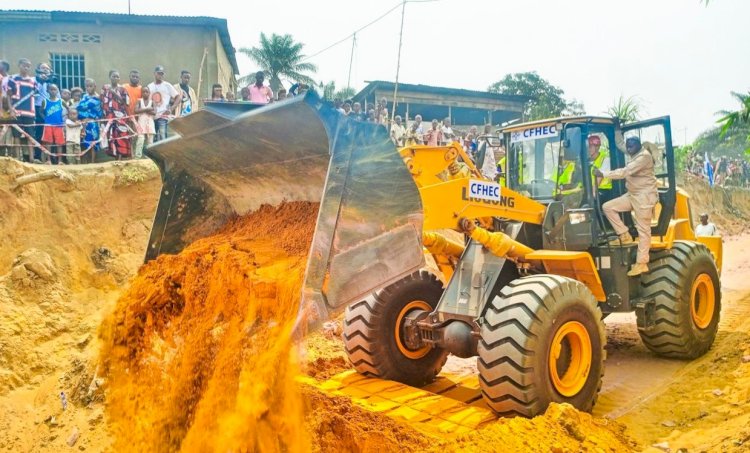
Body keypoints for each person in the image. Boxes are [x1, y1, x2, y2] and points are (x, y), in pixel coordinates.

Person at [594, 133, 658, 276]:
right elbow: (620, 144)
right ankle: (624, 235)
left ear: (639, 145)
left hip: (644, 197)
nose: (628, 149)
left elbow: (625, 172)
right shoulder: (633, 152)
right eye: (627, 146)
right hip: (632, 195)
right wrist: (616, 129)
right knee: (608, 207)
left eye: (631, 146)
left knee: (643, 230)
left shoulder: (644, 157)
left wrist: (603, 174)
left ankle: (642, 263)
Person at [9, 59, 37, 162]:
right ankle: (18, 158)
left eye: (28, 66)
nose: (26, 68)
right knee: (16, 135)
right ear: (19, 65)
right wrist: (11, 109)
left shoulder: (33, 81)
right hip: (16, 111)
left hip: (30, 112)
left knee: (30, 135)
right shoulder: (13, 78)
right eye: (24, 65)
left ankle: (31, 158)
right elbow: (9, 94)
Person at [101, 70, 131, 159]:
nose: (116, 78)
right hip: (109, 117)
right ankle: (114, 157)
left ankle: (120, 157)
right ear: (110, 77)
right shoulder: (105, 88)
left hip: (120, 117)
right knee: (111, 136)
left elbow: (126, 102)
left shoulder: (123, 89)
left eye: (117, 76)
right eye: (114, 76)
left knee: (121, 136)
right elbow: (102, 102)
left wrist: (115, 94)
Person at [147, 65, 178, 142]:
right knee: (152, 138)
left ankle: (163, 153)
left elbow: (178, 97)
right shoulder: (149, 86)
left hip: (163, 116)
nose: (160, 75)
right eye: (158, 73)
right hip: (151, 117)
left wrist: (171, 109)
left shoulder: (167, 85)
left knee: (163, 137)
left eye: (162, 74)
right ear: (154, 73)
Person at [77, 78, 103, 163]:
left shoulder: (97, 98)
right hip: (84, 123)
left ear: (95, 86)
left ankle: (92, 162)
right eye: (87, 86)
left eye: (90, 86)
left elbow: (82, 106)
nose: (89, 88)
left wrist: (84, 107)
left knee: (93, 143)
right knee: (84, 142)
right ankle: (86, 162)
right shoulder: (85, 96)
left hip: (93, 124)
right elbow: (79, 108)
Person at [41, 84, 65, 164]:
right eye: (51, 89)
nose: (53, 91)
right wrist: (45, 119)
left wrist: (66, 118)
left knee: (59, 143)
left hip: (59, 125)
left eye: (55, 89)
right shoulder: (45, 101)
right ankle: (48, 160)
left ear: (57, 90)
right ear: (48, 91)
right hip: (48, 125)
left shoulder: (61, 101)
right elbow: (40, 112)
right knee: (48, 143)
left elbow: (69, 109)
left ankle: (60, 161)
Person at [134, 86, 155, 159]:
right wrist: (148, 109)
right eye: (143, 92)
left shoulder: (152, 102)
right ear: (141, 93)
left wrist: (142, 110)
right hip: (141, 123)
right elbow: (136, 111)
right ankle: (137, 157)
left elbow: (155, 112)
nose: (145, 93)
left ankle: (149, 158)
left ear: (149, 93)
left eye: (147, 92)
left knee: (150, 142)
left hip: (150, 124)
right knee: (140, 139)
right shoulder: (139, 101)